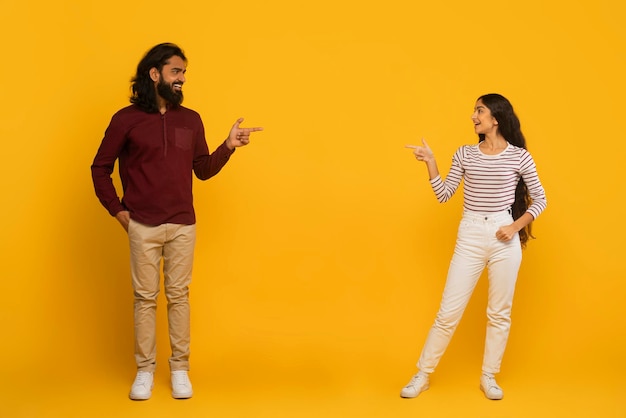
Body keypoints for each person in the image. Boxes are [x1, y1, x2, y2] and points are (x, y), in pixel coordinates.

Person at [91, 43, 263, 400]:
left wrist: (228, 146)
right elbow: (99, 168)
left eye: (184, 73)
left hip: (183, 224)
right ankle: (144, 371)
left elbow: (202, 171)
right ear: (155, 75)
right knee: (144, 298)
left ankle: (180, 369)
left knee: (179, 296)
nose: (182, 78)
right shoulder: (126, 119)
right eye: (176, 71)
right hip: (142, 224)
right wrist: (118, 211)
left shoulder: (191, 119)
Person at [401, 93, 547, 400]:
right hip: (470, 233)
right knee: (448, 312)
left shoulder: (519, 156)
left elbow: (541, 199)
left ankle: (488, 376)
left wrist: (513, 226)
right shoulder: (465, 154)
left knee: (499, 313)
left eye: (479, 110)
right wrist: (431, 163)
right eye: (474, 111)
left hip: (503, 234)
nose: (473, 116)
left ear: (495, 118)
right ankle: (423, 374)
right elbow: (443, 195)